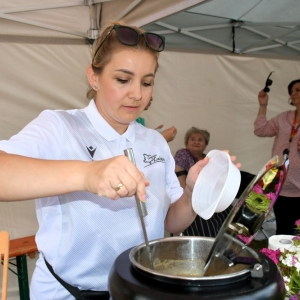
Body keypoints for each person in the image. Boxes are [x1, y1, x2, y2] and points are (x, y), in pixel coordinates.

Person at [0, 21, 239, 299]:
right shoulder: (59, 127)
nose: (137, 93)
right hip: (66, 292)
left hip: (135, 289)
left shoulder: (154, 141)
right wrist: (87, 175)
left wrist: (190, 193)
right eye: (123, 79)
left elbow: (171, 223)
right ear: (94, 77)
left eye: (147, 82)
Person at [254, 79, 300, 235]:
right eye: (292, 91)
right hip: (280, 186)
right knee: (283, 233)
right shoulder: (284, 118)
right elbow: (260, 130)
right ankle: (282, 259)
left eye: (298, 90)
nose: (294, 93)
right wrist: (263, 105)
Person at [174, 127, 232, 237]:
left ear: (205, 144)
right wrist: (191, 197)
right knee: (205, 223)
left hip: (211, 197)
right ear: (187, 142)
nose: (196, 142)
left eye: (200, 140)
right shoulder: (183, 154)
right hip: (192, 198)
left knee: (227, 212)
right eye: (192, 139)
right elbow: (179, 175)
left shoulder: (209, 158)